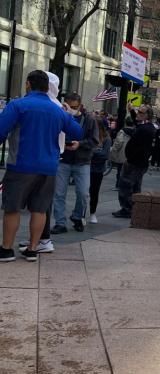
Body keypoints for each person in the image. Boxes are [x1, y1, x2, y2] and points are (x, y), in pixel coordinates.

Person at [0, 70, 83, 262]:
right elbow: (77, 132)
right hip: (49, 167)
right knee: (39, 209)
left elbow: (1, 131)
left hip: (20, 165)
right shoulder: (57, 110)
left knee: (12, 208)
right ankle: (32, 249)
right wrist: (69, 114)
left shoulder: (18, 105)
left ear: (28, 84)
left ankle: (6, 249)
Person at [51, 93, 99, 233]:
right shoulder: (59, 116)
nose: (72, 109)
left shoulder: (89, 119)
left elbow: (94, 141)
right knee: (59, 193)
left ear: (80, 106)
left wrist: (80, 144)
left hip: (82, 161)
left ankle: (77, 216)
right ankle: (60, 222)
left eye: (75, 107)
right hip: (63, 160)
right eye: (69, 106)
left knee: (83, 193)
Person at [112, 105, 155, 218]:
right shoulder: (146, 127)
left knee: (126, 185)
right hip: (138, 163)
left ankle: (127, 209)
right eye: (138, 111)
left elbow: (139, 147)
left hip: (134, 163)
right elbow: (137, 125)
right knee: (135, 186)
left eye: (140, 112)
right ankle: (133, 208)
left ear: (147, 116)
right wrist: (131, 110)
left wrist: (129, 160)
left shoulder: (145, 129)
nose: (138, 113)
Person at [88, 117, 112, 224]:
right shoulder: (90, 136)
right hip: (87, 167)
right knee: (83, 192)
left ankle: (92, 213)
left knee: (94, 192)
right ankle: (81, 214)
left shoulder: (106, 139)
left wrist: (92, 152)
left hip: (98, 170)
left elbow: (104, 155)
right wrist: (95, 152)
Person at [108, 116, 134, 189]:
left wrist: (113, 152)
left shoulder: (122, 131)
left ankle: (118, 185)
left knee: (120, 171)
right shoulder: (136, 131)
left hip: (122, 154)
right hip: (131, 155)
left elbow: (118, 143)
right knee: (129, 172)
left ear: (126, 122)